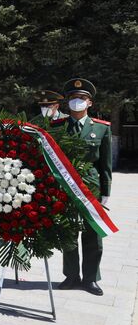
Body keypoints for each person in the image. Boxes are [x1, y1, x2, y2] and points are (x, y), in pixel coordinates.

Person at [56, 78, 111, 296]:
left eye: (81, 98)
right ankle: (71, 276)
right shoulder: (57, 128)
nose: (76, 102)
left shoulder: (101, 128)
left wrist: (106, 192)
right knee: (67, 234)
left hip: (91, 189)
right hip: (65, 188)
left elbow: (105, 164)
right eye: (73, 98)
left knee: (92, 235)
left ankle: (90, 279)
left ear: (89, 103)